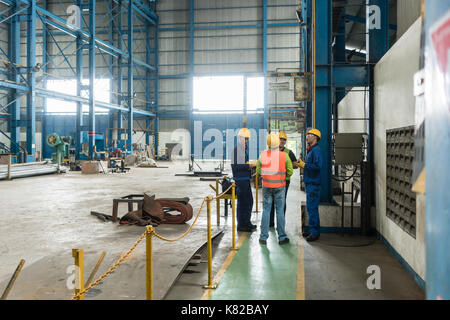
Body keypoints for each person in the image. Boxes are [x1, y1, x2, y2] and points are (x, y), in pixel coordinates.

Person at [256, 133, 293, 245]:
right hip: (280, 187)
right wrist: (283, 178)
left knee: (266, 210)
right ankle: (282, 238)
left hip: (267, 187)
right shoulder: (284, 156)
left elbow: (258, 171)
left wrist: (267, 177)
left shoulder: (262, 155)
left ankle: (263, 237)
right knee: (280, 211)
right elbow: (290, 171)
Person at [297, 128, 323, 242]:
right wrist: (302, 164)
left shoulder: (316, 150)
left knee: (312, 208)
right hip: (310, 183)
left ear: (315, 137)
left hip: (314, 184)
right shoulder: (311, 150)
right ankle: (312, 230)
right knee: (310, 208)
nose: (307, 137)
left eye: (309, 135)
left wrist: (305, 165)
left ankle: (315, 233)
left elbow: (318, 167)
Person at [269, 131, 299, 227]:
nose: (282, 141)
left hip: (284, 181)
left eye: (284, 140)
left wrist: (286, 167)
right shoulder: (272, 150)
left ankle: (280, 222)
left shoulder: (289, 152)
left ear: (285, 142)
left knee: (281, 201)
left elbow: (295, 165)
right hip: (272, 180)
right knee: (272, 201)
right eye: (280, 139)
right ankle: (270, 222)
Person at [231, 128, 257, 232]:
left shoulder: (242, 150)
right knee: (243, 202)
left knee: (249, 201)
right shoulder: (237, 150)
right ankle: (241, 225)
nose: (245, 141)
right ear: (239, 138)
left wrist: (249, 165)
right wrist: (249, 166)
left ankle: (247, 222)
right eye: (244, 139)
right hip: (240, 180)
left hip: (245, 179)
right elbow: (236, 166)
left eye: (247, 139)